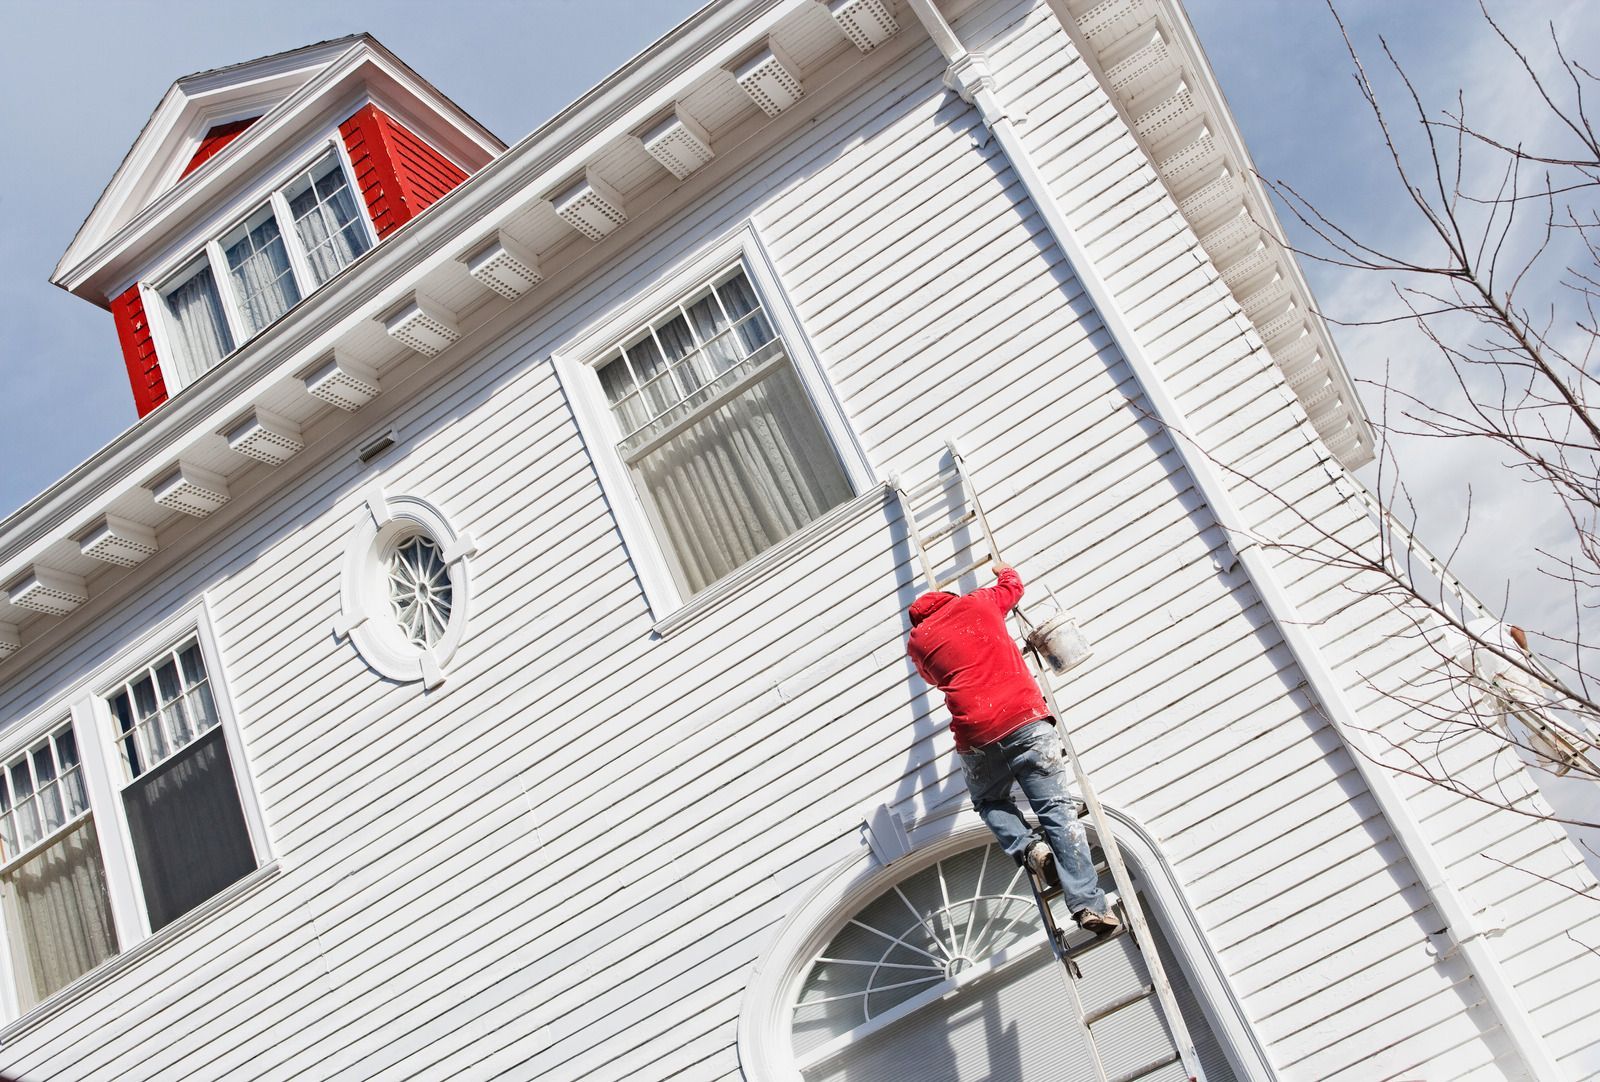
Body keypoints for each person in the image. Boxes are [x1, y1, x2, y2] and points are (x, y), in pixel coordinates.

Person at [907, 561, 1119, 936]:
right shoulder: (980, 602)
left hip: (976, 736)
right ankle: (1088, 905)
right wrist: (1003, 571)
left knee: (989, 802)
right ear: (949, 599)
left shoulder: (919, 641)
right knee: (1058, 812)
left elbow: (932, 676)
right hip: (1027, 720)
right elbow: (1013, 587)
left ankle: (1030, 850)